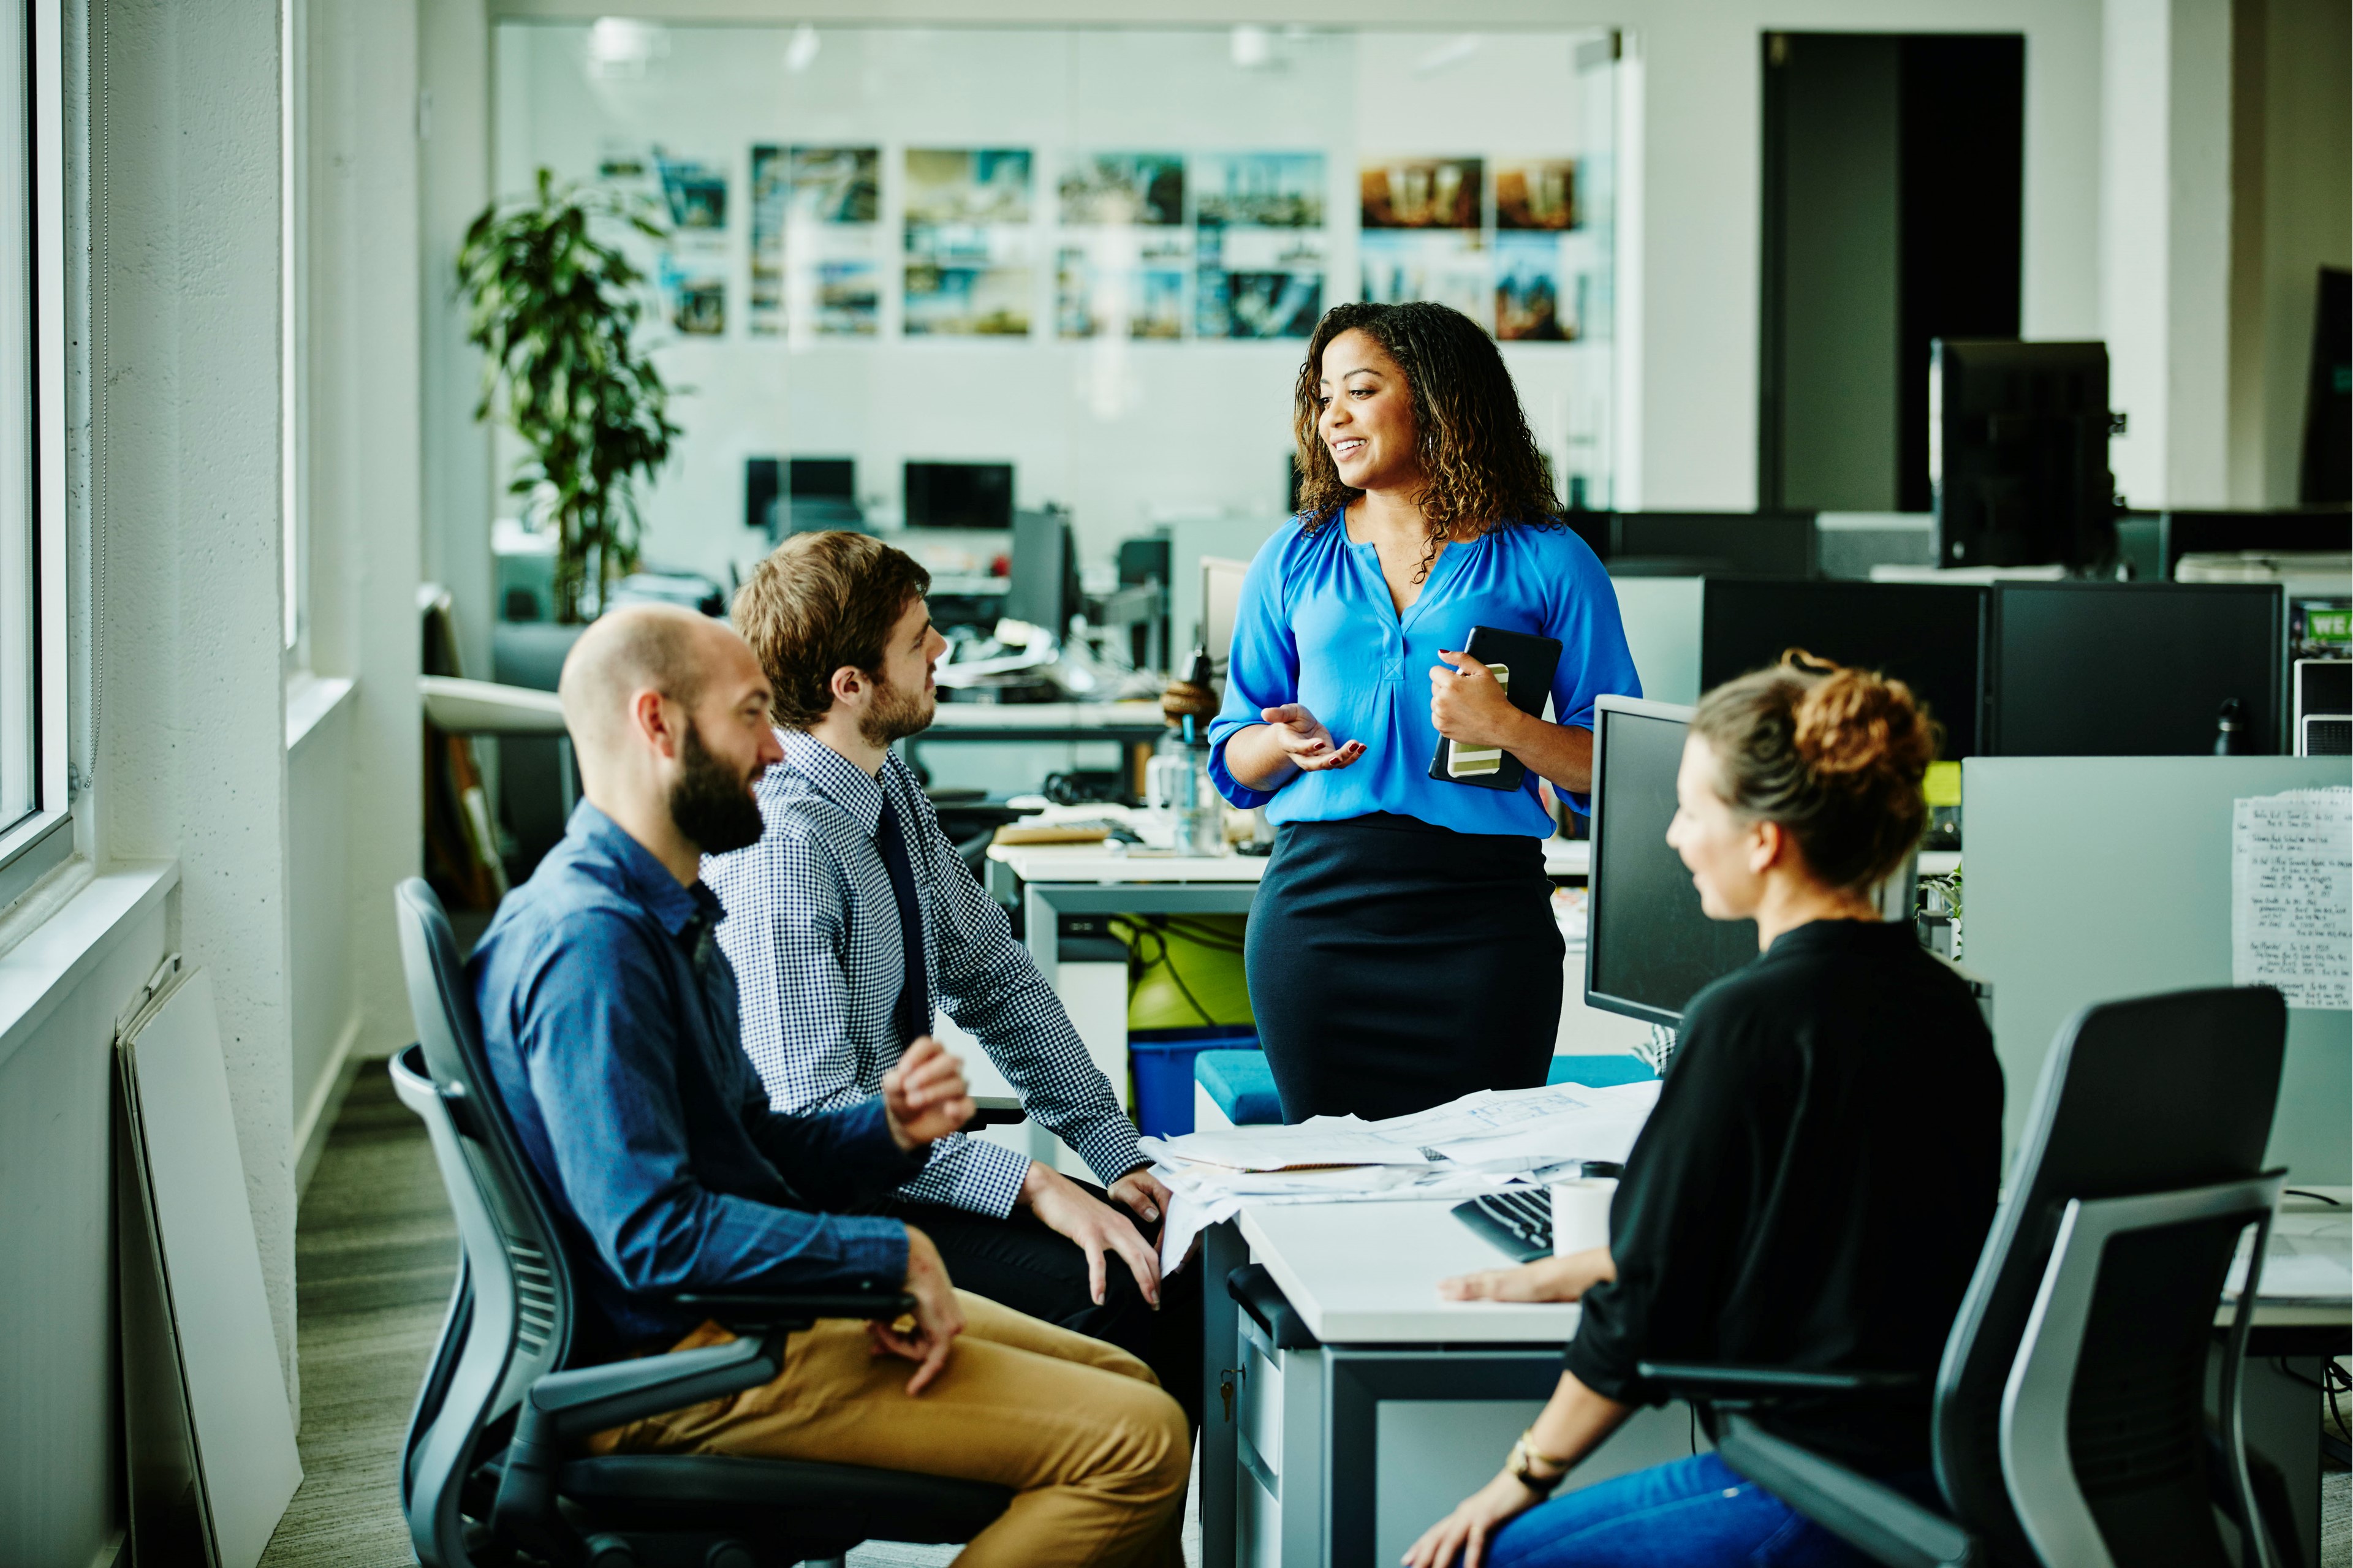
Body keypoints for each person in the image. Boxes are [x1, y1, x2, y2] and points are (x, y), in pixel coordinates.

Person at [470, 604, 1187, 1568]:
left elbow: (753, 1144)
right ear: (658, 725)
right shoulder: (591, 944)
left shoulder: (664, 905)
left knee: (1136, 1382)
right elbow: (653, 1236)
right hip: (689, 1360)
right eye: (752, 716)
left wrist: (885, 1131)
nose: (777, 748)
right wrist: (882, 1257)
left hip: (745, 1313)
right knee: (1137, 1445)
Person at [1403, 654, 2003, 1568]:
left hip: (1810, 1478)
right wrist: (1581, 1265)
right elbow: (1826, 1226)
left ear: (1764, 840)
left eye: (1693, 811)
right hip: (1939, 1465)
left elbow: (1646, 1312)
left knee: (1487, 1556)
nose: (1676, 837)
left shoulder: (1751, 1020)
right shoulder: (1941, 1002)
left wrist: (1514, 1480)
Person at [705, 530, 1202, 1426]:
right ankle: (1085, 1497)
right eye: (919, 640)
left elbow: (995, 978)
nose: (944, 651)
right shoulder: (785, 850)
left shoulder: (884, 789)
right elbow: (815, 1118)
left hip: (903, 1176)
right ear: (848, 686)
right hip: (833, 1215)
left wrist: (1111, 1153)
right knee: (1133, 1295)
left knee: (1174, 1253)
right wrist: (1030, 1184)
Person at [1208, 300, 1642, 1123]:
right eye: (1323, 395)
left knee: (1485, 1181)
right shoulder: (1294, 555)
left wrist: (1508, 729)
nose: (1332, 415)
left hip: (1484, 925)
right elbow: (1231, 759)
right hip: (1318, 919)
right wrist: (1280, 741)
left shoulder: (1549, 559)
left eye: (1360, 390)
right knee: (1333, 1178)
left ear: (1439, 400)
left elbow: (1621, 772)